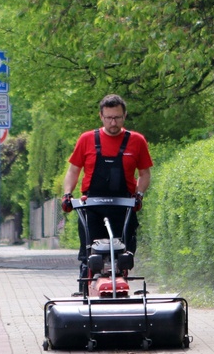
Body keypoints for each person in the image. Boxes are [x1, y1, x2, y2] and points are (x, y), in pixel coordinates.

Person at [62, 94, 152, 270]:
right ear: (101, 116)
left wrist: (139, 195)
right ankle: (87, 281)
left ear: (124, 116)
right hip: (92, 205)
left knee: (124, 254)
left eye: (117, 118)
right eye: (109, 118)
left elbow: (145, 174)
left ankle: (121, 279)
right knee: (91, 256)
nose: (113, 123)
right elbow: (73, 170)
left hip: (124, 206)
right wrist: (67, 194)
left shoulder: (136, 141)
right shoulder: (87, 139)